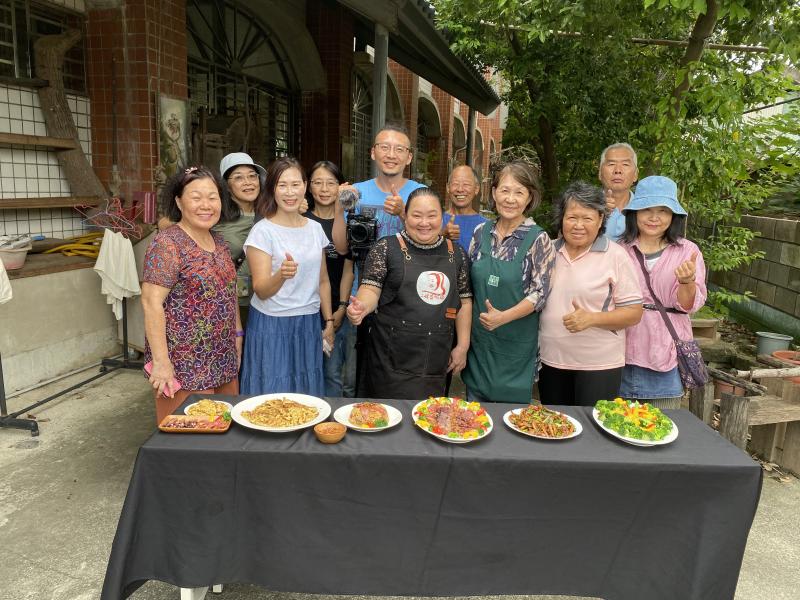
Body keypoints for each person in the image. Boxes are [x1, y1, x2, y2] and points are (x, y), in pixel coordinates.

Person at [346, 187, 472, 399]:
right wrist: (361, 306)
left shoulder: (456, 253)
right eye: (417, 215)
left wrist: (462, 346)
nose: (424, 223)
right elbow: (370, 288)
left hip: (436, 360)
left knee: (429, 419)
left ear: (442, 217)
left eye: (432, 216)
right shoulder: (386, 247)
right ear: (406, 216)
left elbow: (465, 302)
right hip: (388, 360)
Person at [142, 166, 241, 424]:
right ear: (178, 201)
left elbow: (228, 292)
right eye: (196, 197)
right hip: (184, 365)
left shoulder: (218, 242)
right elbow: (151, 302)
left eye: (213, 197)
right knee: (189, 438)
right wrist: (162, 363)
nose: (206, 205)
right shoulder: (168, 243)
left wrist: (238, 335)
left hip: (222, 357)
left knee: (225, 430)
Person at [538, 181, 644, 406]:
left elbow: (634, 313)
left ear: (600, 221)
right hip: (551, 361)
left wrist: (592, 318)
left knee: (592, 433)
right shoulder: (547, 250)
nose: (578, 225)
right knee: (554, 429)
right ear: (561, 219)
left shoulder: (616, 256)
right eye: (572, 217)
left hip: (598, 366)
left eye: (587, 218)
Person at [461, 161, 556, 403]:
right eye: (504, 190)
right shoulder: (481, 232)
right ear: (493, 193)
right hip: (480, 345)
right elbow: (467, 286)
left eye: (519, 192)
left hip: (515, 349)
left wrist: (503, 317)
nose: (510, 199)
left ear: (529, 198)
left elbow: (539, 294)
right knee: (473, 422)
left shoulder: (539, 239)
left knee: (511, 427)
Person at [239, 157, 334, 396]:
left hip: (308, 322)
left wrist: (329, 321)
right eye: (282, 185)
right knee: (273, 393)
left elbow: (322, 280)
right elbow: (261, 289)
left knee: (306, 393)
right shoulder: (263, 232)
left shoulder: (315, 229)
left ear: (305, 186)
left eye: (295, 184)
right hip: (272, 324)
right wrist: (281, 275)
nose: (290, 192)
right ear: (272, 189)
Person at [619, 175, 707, 409]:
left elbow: (688, 305)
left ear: (673, 216)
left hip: (664, 352)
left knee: (662, 427)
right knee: (615, 425)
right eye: (647, 209)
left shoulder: (687, 251)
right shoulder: (619, 250)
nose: (654, 218)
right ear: (635, 212)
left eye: (663, 211)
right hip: (620, 349)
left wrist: (687, 282)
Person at [305, 161, 357, 397]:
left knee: (333, 372)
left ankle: (332, 424)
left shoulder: (349, 223)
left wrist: (342, 308)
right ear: (308, 186)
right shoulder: (301, 220)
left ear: (340, 186)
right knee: (307, 368)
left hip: (338, 309)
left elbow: (349, 268)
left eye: (331, 183)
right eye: (317, 182)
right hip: (305, 308)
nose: (324, 189)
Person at [212, 152, 265, 330]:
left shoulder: (270, 213)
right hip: (228, 301)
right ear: (226, 185)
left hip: (265, 299)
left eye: (252, 176)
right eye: (239, 178)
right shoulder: (215, 217)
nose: (248, 182)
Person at [598, 142, 639, 241]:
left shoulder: (644, 209)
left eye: (625, 164)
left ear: (635, 175)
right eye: (611, 164)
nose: (618, 170)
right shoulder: (585, 205)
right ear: (600, 173)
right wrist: (595, 212)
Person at [442, 164, 487, 251]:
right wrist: (442, 235)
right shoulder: (435, 221)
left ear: (476, 189)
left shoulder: (486, 226)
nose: (460, 189)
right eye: (455, 184)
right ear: (448, 188)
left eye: (466, 184)